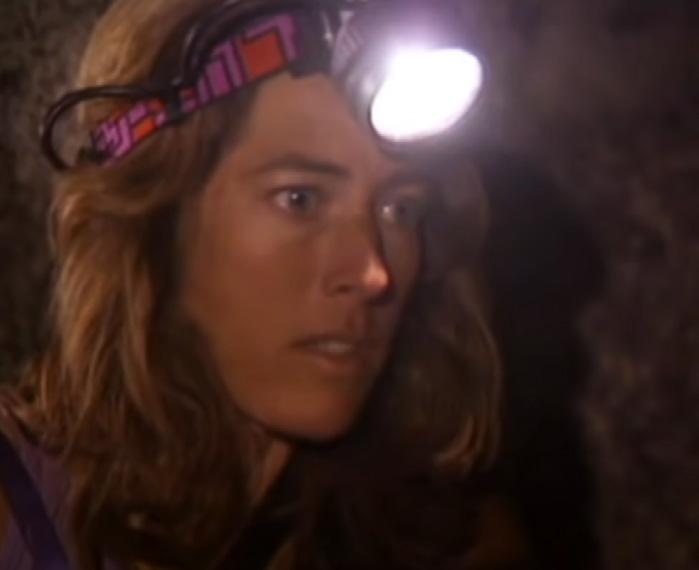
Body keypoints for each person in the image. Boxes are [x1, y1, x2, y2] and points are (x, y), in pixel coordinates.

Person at [0, 0, 505, 568]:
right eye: (300, 199)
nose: (373, 272)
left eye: (401, 210)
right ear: (158, 216)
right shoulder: (15, 510)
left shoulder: (454, 542)